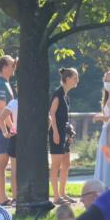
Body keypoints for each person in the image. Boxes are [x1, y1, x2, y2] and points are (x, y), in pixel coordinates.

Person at [48, 68, 79, 205]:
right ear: (67, 79)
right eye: (75, 78)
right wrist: (55, 132)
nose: (77, 81)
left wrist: (69, 133)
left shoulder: (66, 96)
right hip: (57, 133)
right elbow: (52, 113)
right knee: (56, 165)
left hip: (64, 134)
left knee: (66, 164)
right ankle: (56, 197)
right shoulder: (58, 94)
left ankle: (63, 193)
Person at [0, 55, 16, 206]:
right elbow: (2, 109)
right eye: (12, 65)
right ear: (5, 66)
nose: (14, 69)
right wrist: (11, 126)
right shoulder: (1, 84)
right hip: (3, 127)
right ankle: (0, 197)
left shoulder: (3, 83)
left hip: (4, 126)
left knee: (2, 160)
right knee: (2, 160)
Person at [0, 94, 19, 203]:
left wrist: (5, 133)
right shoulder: (34, 102)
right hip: (30, 139)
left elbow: (1, 118)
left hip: (16, 137)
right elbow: (48, 119)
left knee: (15, 170)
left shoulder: (14, 102)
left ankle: (16, 198)